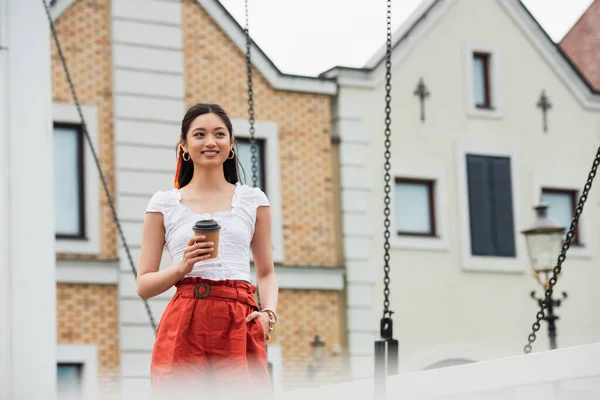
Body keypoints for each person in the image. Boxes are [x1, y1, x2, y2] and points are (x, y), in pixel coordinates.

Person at [136, 103, 279, 396]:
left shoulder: (253, 200)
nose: (210, 142)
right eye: (199, 134)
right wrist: (181, 267)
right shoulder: (164, 204)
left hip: (239, 317)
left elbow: (266, 272)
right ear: (184, 146)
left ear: (231, 145)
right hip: (185, 317)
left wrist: (268, 314)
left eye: (219, 134)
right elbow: (143, 285)